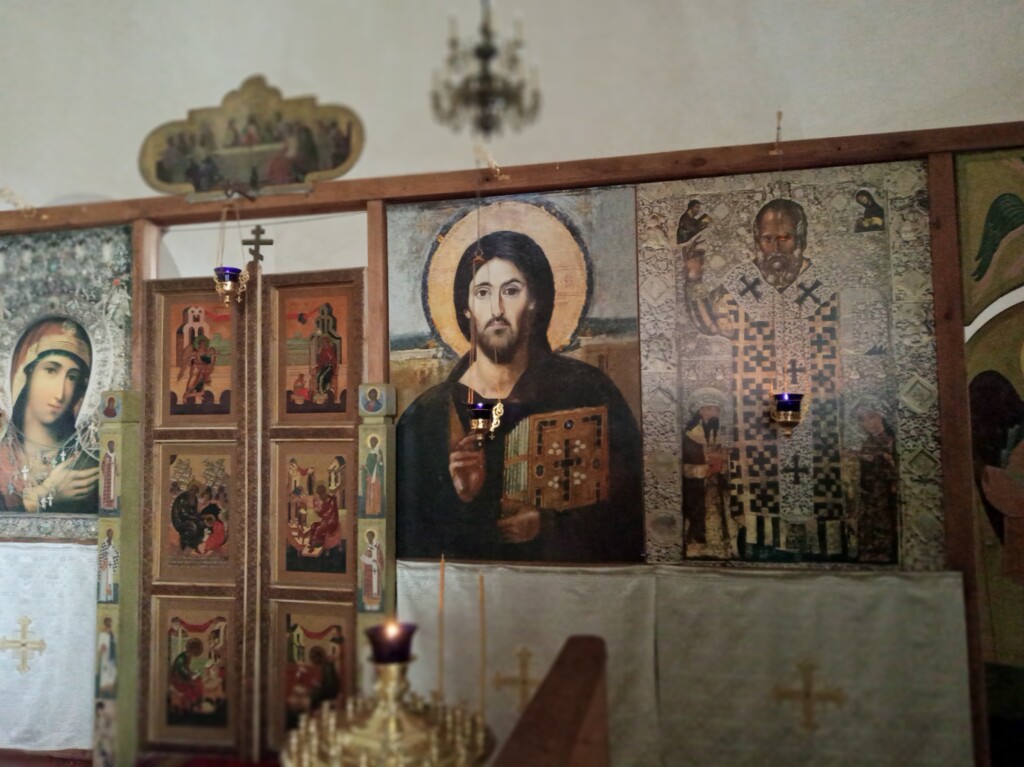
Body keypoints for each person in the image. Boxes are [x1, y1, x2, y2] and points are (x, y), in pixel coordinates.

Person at [397, 230, 643, 562]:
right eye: (482, 292)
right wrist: (461, 498)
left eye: (511, 291)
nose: (496, 309)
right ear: (466, 308)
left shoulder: (586, 390)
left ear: (535, 301)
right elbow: (411, 531)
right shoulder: (428, 415)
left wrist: (549, 523)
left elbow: (629, 506)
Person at [682, 198, 878, 561]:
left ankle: (824, 548)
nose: (775, 247)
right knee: (761, 475)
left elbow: (862, 335)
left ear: (800, 238)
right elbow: (707, 321)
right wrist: (693, 277)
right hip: (758, 410)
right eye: (767, 238)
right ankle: (762, 544)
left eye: (784, 237)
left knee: (820, 475)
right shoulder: (743, 286)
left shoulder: (825, 285)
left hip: (817, 408)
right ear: (757, 239)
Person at [0, 317, 100, 514]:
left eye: (72, 377)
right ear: (25, 373)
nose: (60, 393)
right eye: (51, 370)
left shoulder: (84, 459)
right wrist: (43, 494)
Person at [681, 388, 736, 556]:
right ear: (701, 411)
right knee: (698, 520)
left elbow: (732, 462)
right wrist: (705, 469)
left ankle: (721, 550)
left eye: (717, 409)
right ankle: (696, 549)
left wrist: (724, 466)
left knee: (721, 520)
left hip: (719, 490)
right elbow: (680, 468)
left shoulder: (725, 437)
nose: (714, 413)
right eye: (709, 408)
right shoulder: (689, 437)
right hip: (696, 490)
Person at [307, 483, 341, 553]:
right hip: (325, 521)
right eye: (318, 493)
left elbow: (330, 513)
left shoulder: (331, 500)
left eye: (321, 492)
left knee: (319, 528)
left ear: (324, 491)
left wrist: (322, 514)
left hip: (332, 522)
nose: (320, 495)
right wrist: (317, 511)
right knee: (313, 526)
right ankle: (316, 541)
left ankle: (315, 544)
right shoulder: (324, 502)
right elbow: (322, 514)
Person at [362, 435, 383, 517]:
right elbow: (368, 464)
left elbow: (381, 464)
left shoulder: (379, 452)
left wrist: (379, 460)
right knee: (369, 492)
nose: (371, 443)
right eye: (370, 442)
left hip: (376, 475)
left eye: (373, 442)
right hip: (369, 475)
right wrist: (364, 467)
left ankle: (376, 510)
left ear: (376, 443)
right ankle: (369, 510)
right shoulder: (370, 452)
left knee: (376, 493)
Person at [360, 529, 384, 602]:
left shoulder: (376, 545)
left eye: (370, 536)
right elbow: (366, 555)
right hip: (367, 567)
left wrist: (379, 564)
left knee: (374, 581)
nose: (368, 538)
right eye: (367, 537)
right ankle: (368, 596)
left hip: (374, 566)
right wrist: (364, 558)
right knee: (367, 581)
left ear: (373, 537)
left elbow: (379, 556)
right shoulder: (369, 546)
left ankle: (375, 596)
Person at [97, 616, 117, 696]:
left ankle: (110, 687)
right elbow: (102, 645)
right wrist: (99, 653)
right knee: (105, 670)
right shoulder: (103, 632)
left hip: (112, 654)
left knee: (112, 671)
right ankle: (102, 689)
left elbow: (114, 641)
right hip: (106, 654)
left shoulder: (111, 632)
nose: (110, 623)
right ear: (105, 623)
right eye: (109, 622)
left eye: (110, 622)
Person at [98, 527, 119, 602]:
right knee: (104, 580)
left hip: (110, 564)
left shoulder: (112, 543)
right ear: (107, 534)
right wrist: (104, 561)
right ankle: (103, 597)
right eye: (109, 533)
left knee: (109, 581)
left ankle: (109, 597)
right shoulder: (104, 543)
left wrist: (117, 554)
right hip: (105, 564)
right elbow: (102, 553)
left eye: (112, 533)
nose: (111, 535)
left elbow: (114, 553)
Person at [100, 440, 118, 512]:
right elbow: (103, 464)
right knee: (107, 490)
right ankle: (106, 506)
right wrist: (105, 472)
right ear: (108, 446)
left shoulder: (114, 454)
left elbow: (115, 463)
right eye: (110, 445)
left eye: (113, 445)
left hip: (112, 474)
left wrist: (116, 471)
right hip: (108, 475)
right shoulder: (106, 455)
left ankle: (112, 506)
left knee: (112, 490)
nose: (112, 447)